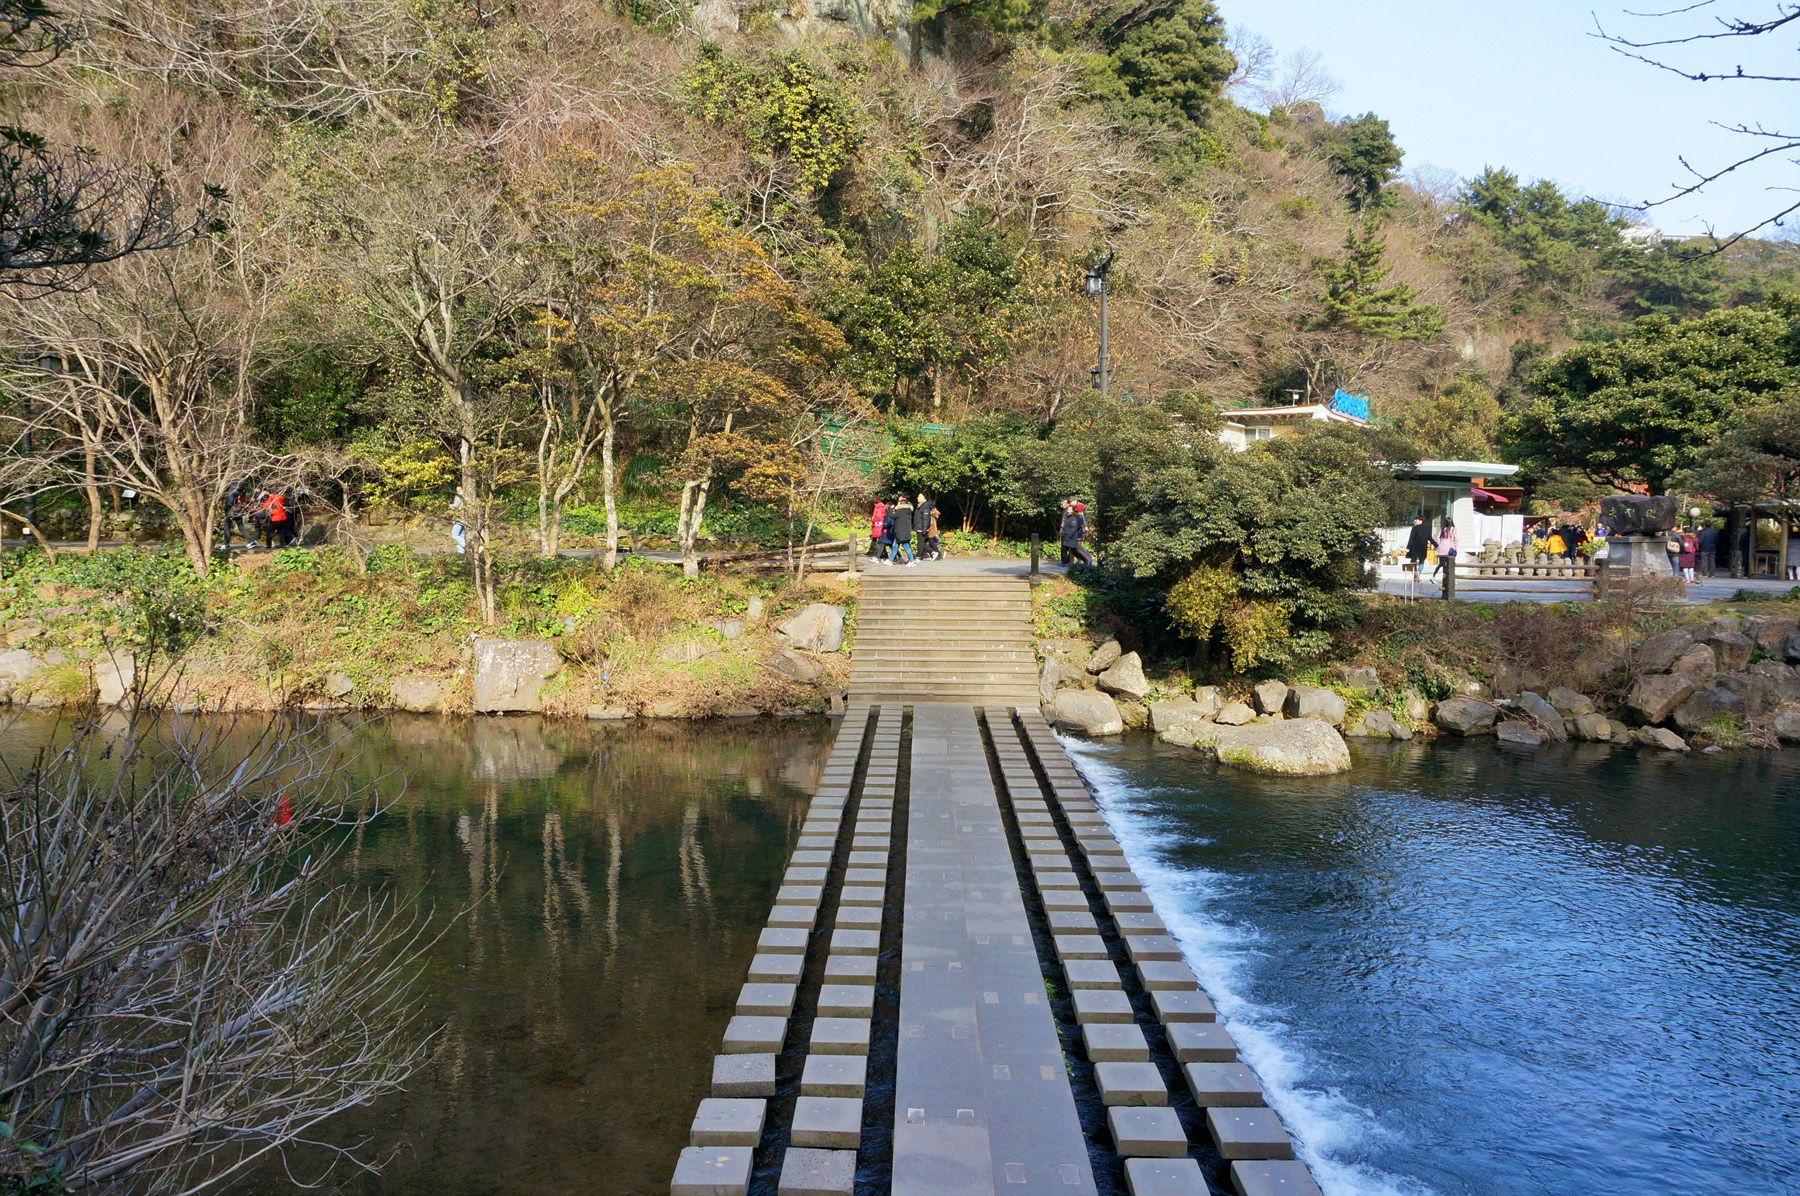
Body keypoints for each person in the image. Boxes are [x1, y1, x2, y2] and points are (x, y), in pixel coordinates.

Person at [888, 495, 916, 566]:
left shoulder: (900, 511)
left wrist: (891, 509)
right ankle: (890, 560)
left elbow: (892, 516)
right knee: (895, 546)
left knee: (906, 547)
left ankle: (912, 561)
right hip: (905, 532)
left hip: (900, 533)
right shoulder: (908, 511)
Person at [1070, 502, 1096, 567]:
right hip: (1077, 536)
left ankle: (1088, 559)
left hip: (1078, 536)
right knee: (1074, 549)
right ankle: (1085, 560)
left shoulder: (1079, 517)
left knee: (1078, 549)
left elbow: (1077, 527)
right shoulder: (1078, 517)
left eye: (1074, 509)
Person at [1433, 520, 1458, 586]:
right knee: (1451, 565)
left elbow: (1437, 538)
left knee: (1441, 564)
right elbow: (1456, 539)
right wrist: (1456, 549)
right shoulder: (1453, 529)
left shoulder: (1442, 529)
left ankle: (1433, 576)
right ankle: (1452, 579)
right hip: (1449, 550)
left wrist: (1439, 545)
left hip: (1441, 550)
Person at [914, 493, 933, 563]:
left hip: (922, 528)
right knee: (921, 543)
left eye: (919, 496)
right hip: (919, 527)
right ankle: (933, 553)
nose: (917, 498)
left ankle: (919, 556)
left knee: (920, 543)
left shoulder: (925, 506)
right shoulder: (920, 505)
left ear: (924, 497)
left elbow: (926, 518)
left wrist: (924, 529)